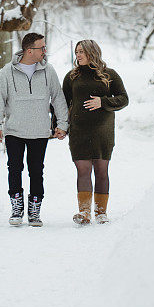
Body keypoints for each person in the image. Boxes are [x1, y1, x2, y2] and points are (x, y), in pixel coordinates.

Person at [0, 33, 68, 227]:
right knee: (14, 168)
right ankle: (16, 208)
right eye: (41, 48)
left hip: (39, 131)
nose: (45, 51)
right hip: (14, 130)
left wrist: (63, 124)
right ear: (29, 50)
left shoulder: (48, 71)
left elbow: (58, 98)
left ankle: (34, 210)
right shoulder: (8, 71)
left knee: (36, 171)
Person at [62, 40, 128, 225]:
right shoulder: (71, 77)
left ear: (92, 52)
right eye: (77, 52)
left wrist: (103, 102)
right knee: (82, 170)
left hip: (102, 132)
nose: (78, 55)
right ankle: (84, 213)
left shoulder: (109, 75)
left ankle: (101, 213)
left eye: (82, 51)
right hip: (79, 131)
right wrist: (59, 126)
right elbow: (62, 104)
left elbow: (123, 99)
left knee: (101, 171)